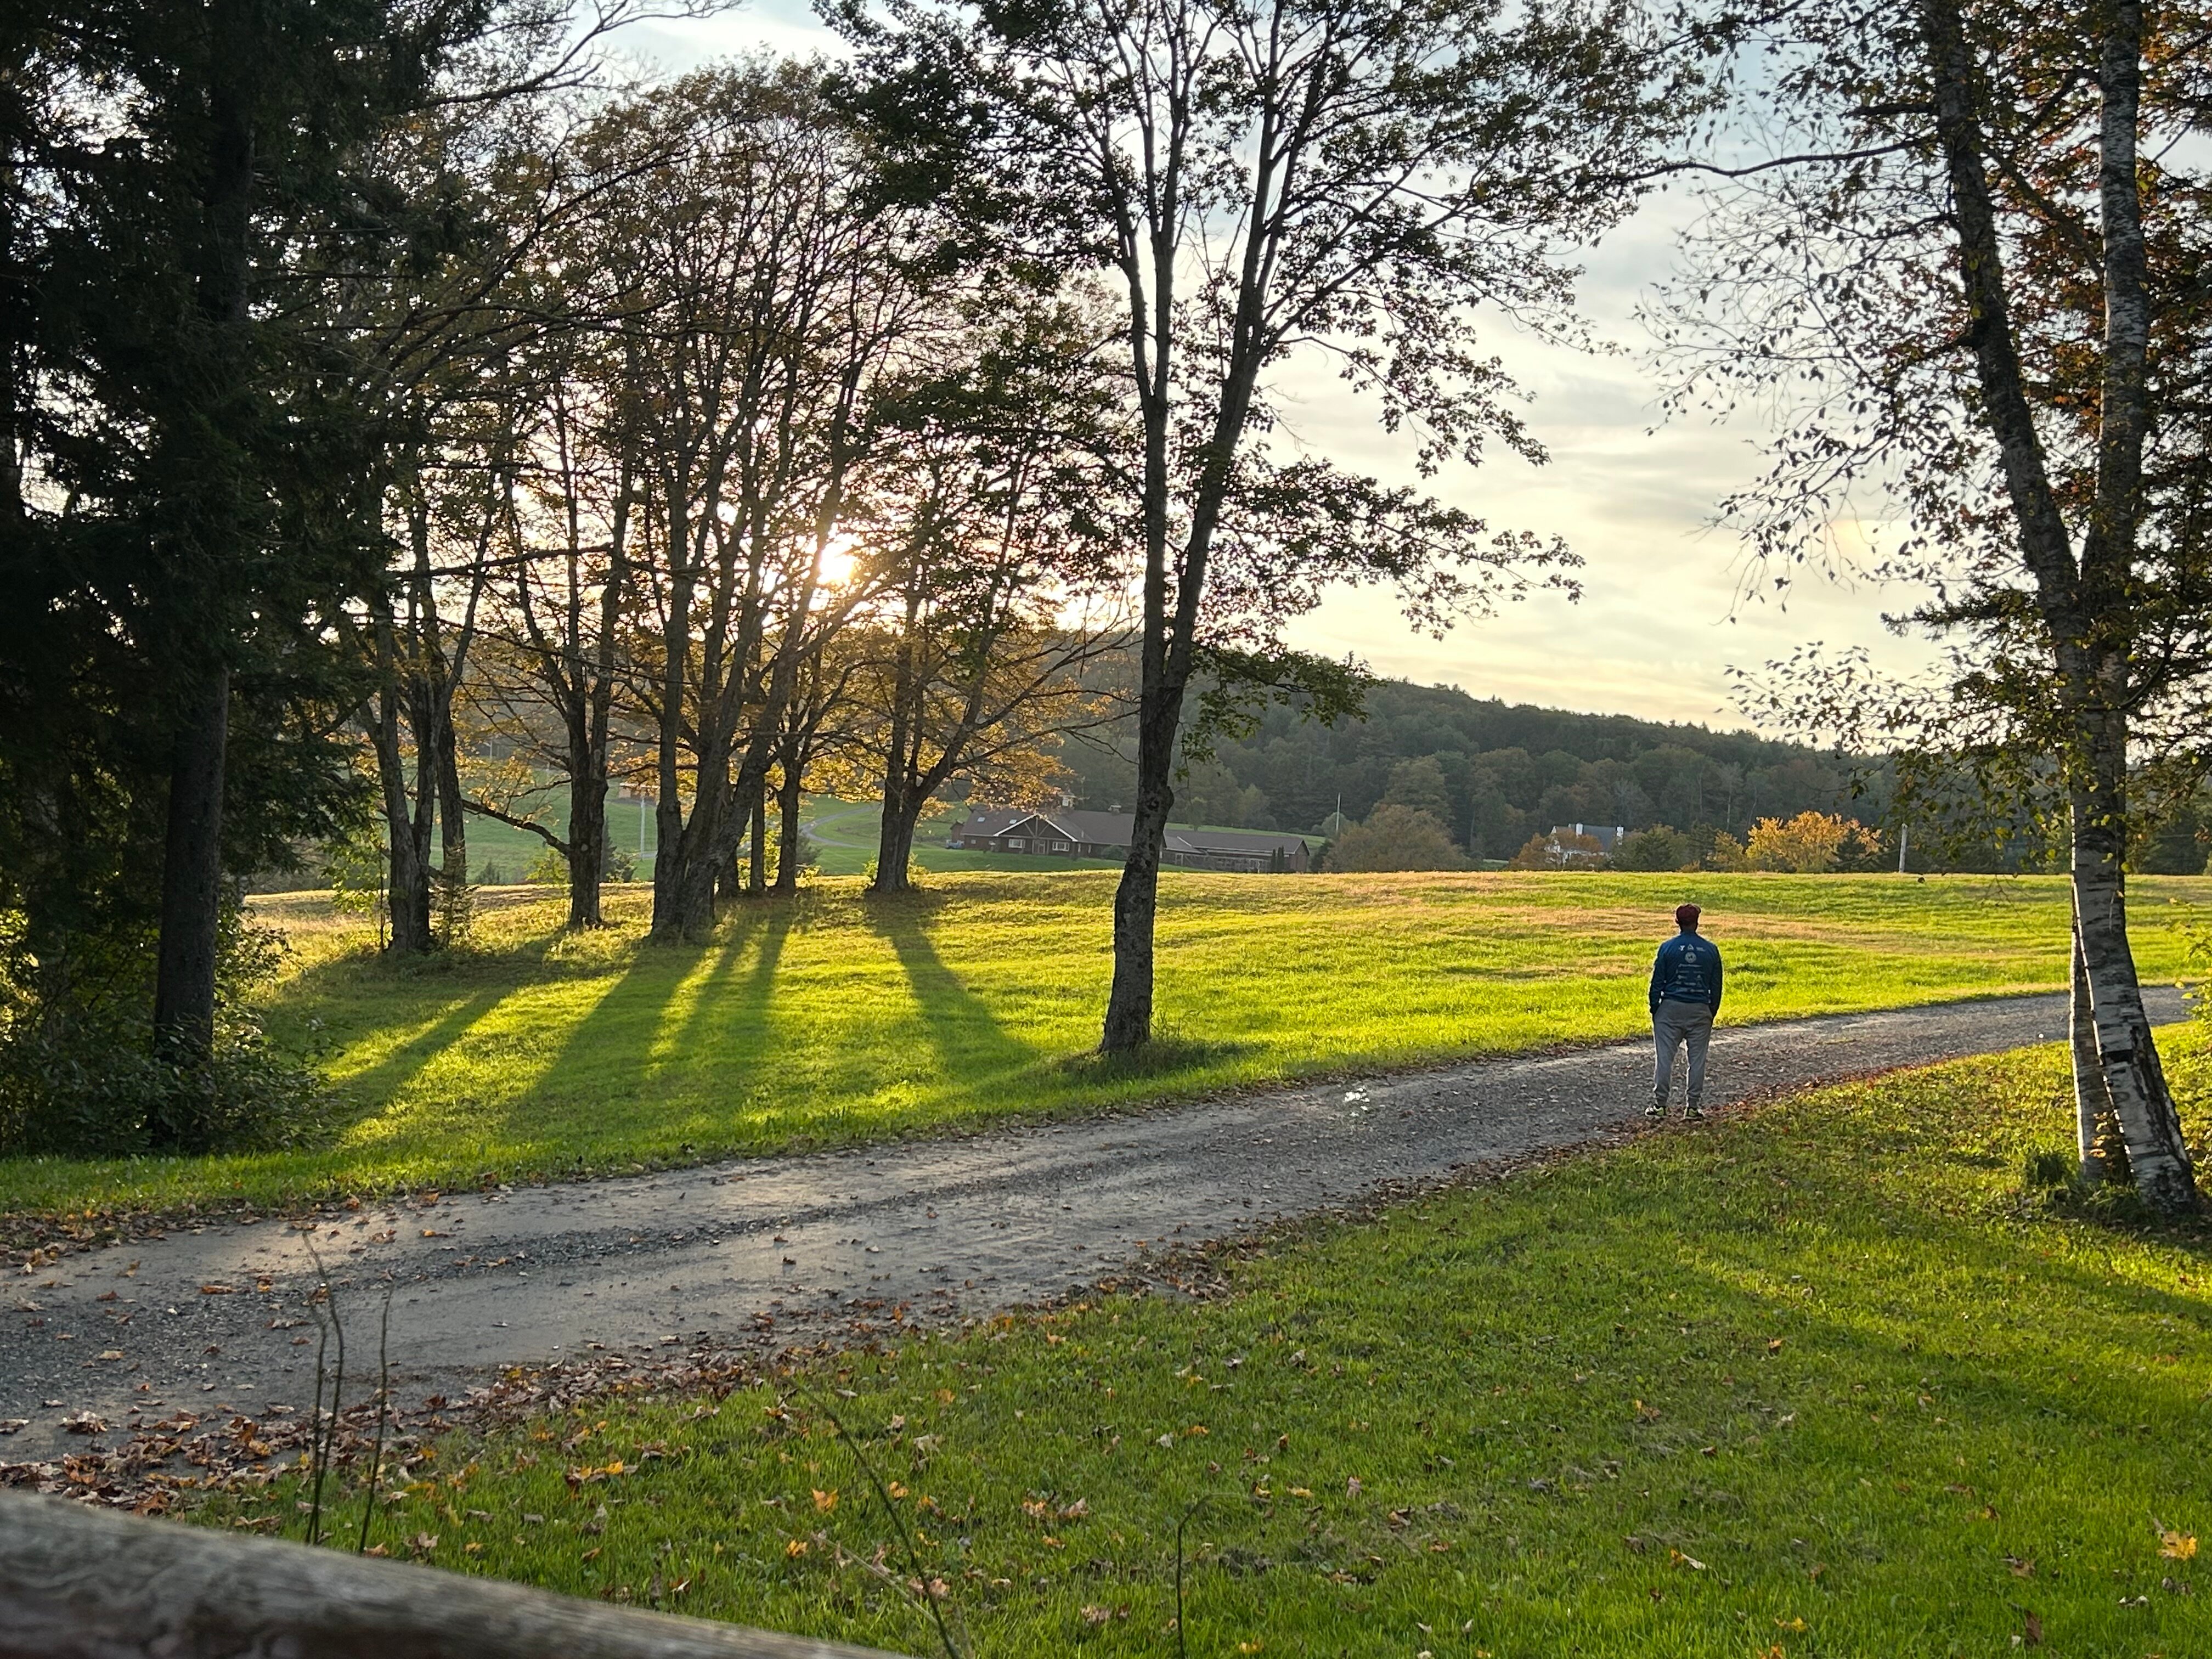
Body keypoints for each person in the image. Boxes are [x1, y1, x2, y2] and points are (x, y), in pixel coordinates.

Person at [1647, 902, 1722, 1120]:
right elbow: (1716, 985)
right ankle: (1692, 1107)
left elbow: (1657, 982)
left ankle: (1660, 1105)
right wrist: (1711, 1010)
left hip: (1670, 1008)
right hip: (1700, 1009)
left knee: (1664, 1058)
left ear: (1677, 922)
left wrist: (1656, 1008)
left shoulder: (1667, 948)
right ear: (1697, 923)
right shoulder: (1711, 950)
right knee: (1697, 1059)